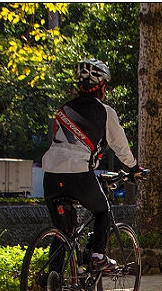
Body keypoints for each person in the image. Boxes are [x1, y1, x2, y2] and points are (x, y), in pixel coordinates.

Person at [42, 58, 145, 273]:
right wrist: (134, 168)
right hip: (79, 173)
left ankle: (52, 281)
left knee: (63, 232)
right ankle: (98, 257)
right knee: (103, 210)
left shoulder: (63, 110)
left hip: (50, 174)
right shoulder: (105, 112)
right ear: (102, 87)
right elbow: (120, 146)